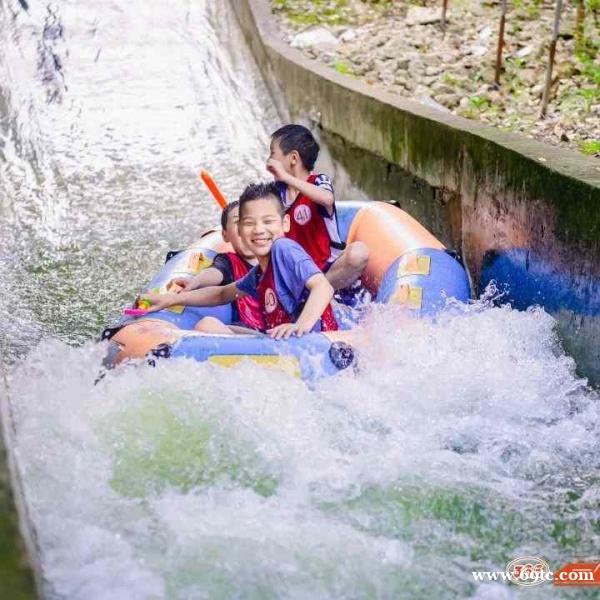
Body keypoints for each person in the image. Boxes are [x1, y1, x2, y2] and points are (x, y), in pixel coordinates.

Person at [144, 182, 338, 339]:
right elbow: (222, 294)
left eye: (268, 221)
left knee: (207, 325)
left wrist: (300, 326)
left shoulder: (283, 248)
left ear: (285, 223)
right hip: (281, 340)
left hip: (311, 345)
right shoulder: (260, 273)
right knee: (208, 325)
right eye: (249, 223)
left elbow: (323, 287)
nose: (259, 230)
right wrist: (171, 299)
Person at [267, 124, 368, 291]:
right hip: (298, 274)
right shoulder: (275, 193)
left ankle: (316, 292)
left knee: (359, 253)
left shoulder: (319, 182)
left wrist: (285, 177)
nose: (269, 161)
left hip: (329, 268)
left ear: (293, 158)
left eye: (272, 154)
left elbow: (327, 198)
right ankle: (308, 294)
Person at [170, 201, 264, 331]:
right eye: (238, 222)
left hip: (278, 333)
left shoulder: (279, 260)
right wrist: (195, 282)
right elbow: (215, 272)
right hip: (248, 331)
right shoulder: (228, 262)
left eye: (249, 222)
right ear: (225, 235)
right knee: (208, 324)